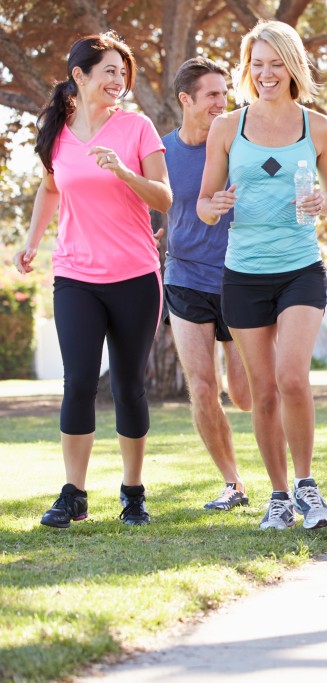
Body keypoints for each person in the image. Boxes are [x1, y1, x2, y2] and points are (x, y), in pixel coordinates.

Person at [14, 32, 172, 528]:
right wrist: (33, 240)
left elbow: (165, 198)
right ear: (79, 76)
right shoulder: (57, 133)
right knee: (78, 382)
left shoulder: (137, 129)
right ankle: (74, 493)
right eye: (108, 71)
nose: (118, 80)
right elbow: (48, 188)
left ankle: (132, 492)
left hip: (135, 275)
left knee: (128, 386)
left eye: (122, 72)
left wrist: (124, 172)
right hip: (76, 275)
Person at [197, 20, 327, 531]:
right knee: (261, 391)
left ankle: (307, 487)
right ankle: (278, 496)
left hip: (301, 267)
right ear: (247, 69)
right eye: (257, 64)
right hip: (243, 272)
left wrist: (322, 201)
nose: (266, 73)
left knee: (291, 378)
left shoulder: (320, 128)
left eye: (275, 63)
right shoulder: (225, 128)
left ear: (293, 66)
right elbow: (204, 206)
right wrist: (214, 206)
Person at [163, 57, 253, 512]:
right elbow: (156, 209)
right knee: (201, 387)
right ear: (187, 100)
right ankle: (233, 483)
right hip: (184, 280)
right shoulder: (161, 153)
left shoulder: (240, 147)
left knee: (244, 394)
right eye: (213, 95)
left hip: (239, 279)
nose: (223, 102)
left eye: (225, 93)